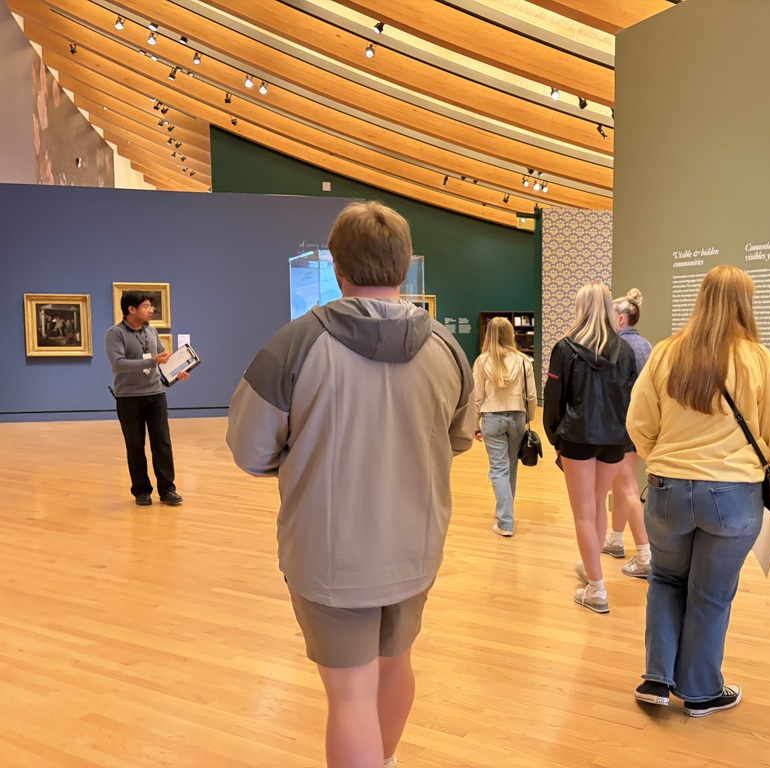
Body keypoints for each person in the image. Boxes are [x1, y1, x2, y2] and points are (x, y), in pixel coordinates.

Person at [226, 201, 474, 768]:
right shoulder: (448, 349)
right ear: (406, 265)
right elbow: (459, 438)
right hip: (415, 547)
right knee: (398, 664)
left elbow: (250, 450)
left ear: (337, 267)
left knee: (350, 695)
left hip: (330, 555)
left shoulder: (292, 346)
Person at [626, 265, 770, 715]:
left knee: (665, 580)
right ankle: (701, 692)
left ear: (700, 299)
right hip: (733, 495)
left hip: (667, 489)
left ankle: (656, 679)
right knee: (711, 592)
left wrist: (664, 462)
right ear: (746, 303)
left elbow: (638, 422)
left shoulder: (666, 353)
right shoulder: (757, 358)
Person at [543, 282, 637, 614]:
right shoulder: (624, 351)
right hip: (614, 438)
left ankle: (596, 589)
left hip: (578, 437)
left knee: (584, 512)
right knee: (598, 505)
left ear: (581, 307)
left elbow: (554, 401)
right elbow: (631, 400)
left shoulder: (565, 348)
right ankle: (590, 567)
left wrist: (554, 438)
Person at [104, 290, 188, 506]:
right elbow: (118, 364)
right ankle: (141, 491)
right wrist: (153, 361)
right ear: (131, 309)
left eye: (151, 306)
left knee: (162, 443)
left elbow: (163, 360)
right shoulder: (115, 334)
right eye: (146, 306)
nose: (151, 310)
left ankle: (168, 489)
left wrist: (177, 373)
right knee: (135, 445)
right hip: (128, 397)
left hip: (156, 395)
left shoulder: (151, 331)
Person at [603, 288, 655, 578]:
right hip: (640, 429)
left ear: (621, 319)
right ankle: (614, 538)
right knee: (624, 484)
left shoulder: (617, 348)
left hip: (621, 428)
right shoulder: (647, 346)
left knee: (626, 487)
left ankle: (645, 554)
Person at [472, 316, 537, 537]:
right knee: (510, 467)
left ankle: (505, 521)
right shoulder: (523, 360)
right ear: (511, 334)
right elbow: (532, 395)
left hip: (492, 417)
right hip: (517, 417)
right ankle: (505, 511)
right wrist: (531, 417)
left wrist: (473, 423)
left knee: (498, 469)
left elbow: (477, 397)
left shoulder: (482, 361)